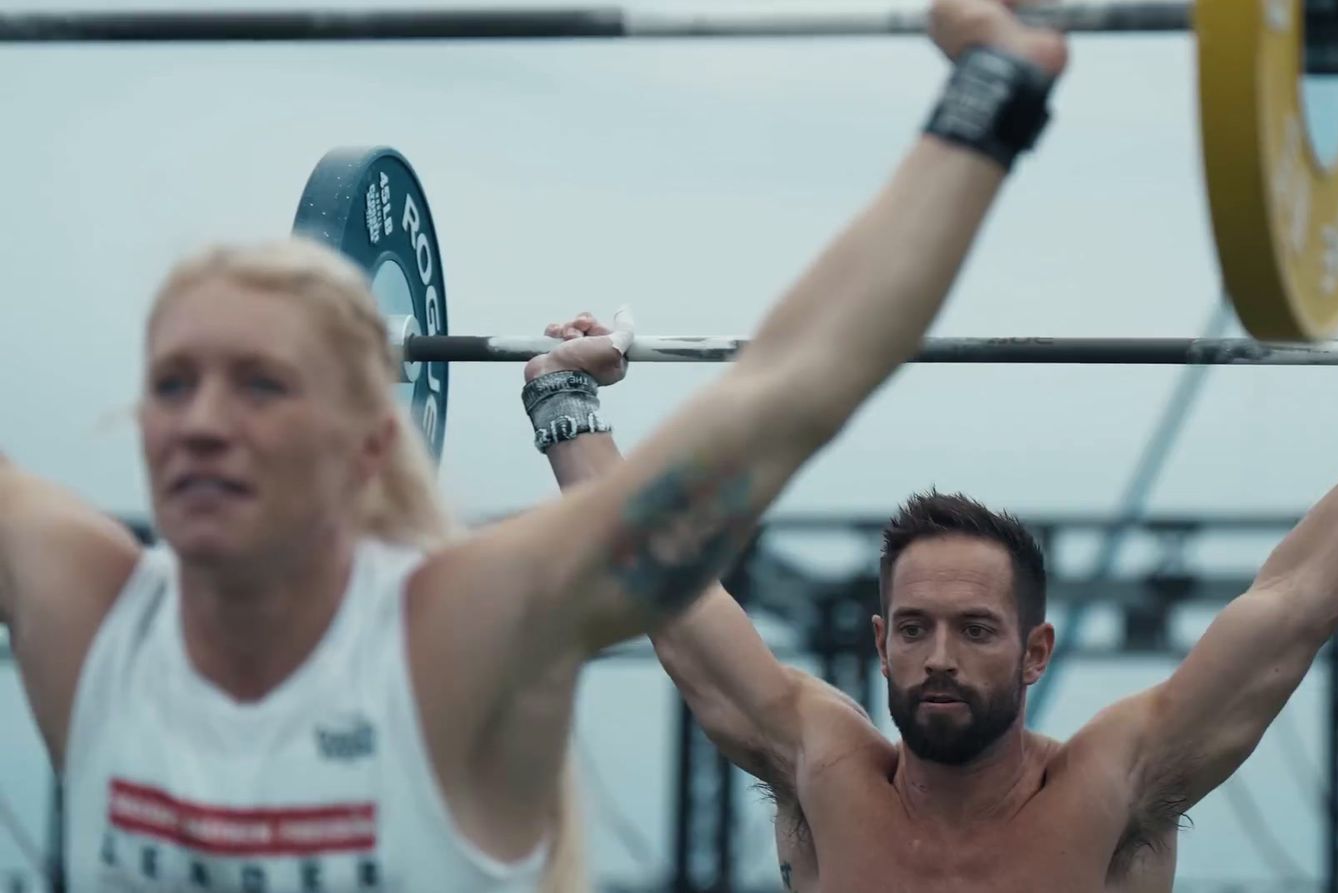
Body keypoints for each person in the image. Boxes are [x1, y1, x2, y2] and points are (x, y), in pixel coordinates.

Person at [0, 1, 1067, 890]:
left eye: (261, 383)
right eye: (173, 382)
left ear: (375, 436)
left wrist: (989, 90)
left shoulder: (456, 637)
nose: (202, 419)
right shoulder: (89, 616)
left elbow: (793, 385)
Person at [532, 310, 1338, 890]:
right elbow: (667, 592)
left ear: (1035, 652)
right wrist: (567, 407)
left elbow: (1294, 604)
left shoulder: (1115, 787)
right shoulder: (821, 767)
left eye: (976, 628)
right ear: (881, 643)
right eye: (915, 627)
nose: (940, 653)